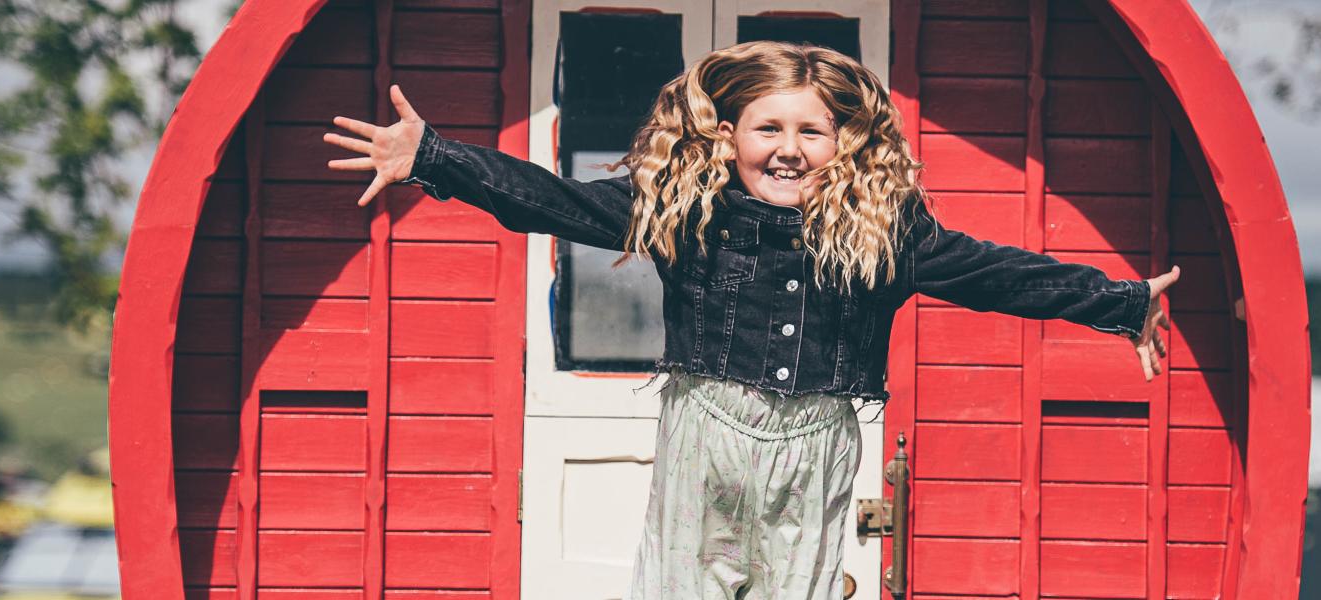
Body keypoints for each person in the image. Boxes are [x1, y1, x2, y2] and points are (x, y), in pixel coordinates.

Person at [323, 40, 1179, 600]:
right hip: (709, 427)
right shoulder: (686, 208)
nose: (789, 147)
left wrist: (1123, 303)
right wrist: (433, 157)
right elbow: (554, 201)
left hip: (819, 437)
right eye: (769, 126)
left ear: (845, 144)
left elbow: (998, 275)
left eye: (814, 131)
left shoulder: (884, 232)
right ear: (729, 133)